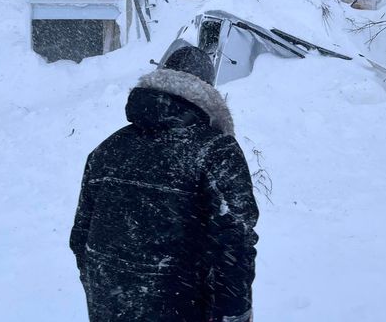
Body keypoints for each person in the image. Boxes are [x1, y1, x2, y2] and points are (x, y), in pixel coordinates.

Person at [70, 46, 258, 322]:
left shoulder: (108, 149)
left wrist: (106, 289)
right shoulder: (215, 150)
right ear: (206, 89)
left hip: (110, 306)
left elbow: (81, 238)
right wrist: (237, 314)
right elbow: (235, 244)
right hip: (184, 308)